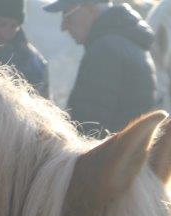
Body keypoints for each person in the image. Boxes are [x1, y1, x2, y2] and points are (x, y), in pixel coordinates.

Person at [43, 0, 157, 136]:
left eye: (67, 15)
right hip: (128, 151)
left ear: (90, 8)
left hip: (110, 155)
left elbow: (89, 128)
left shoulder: (104, 51)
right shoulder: (129, 43)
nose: (63, 26)